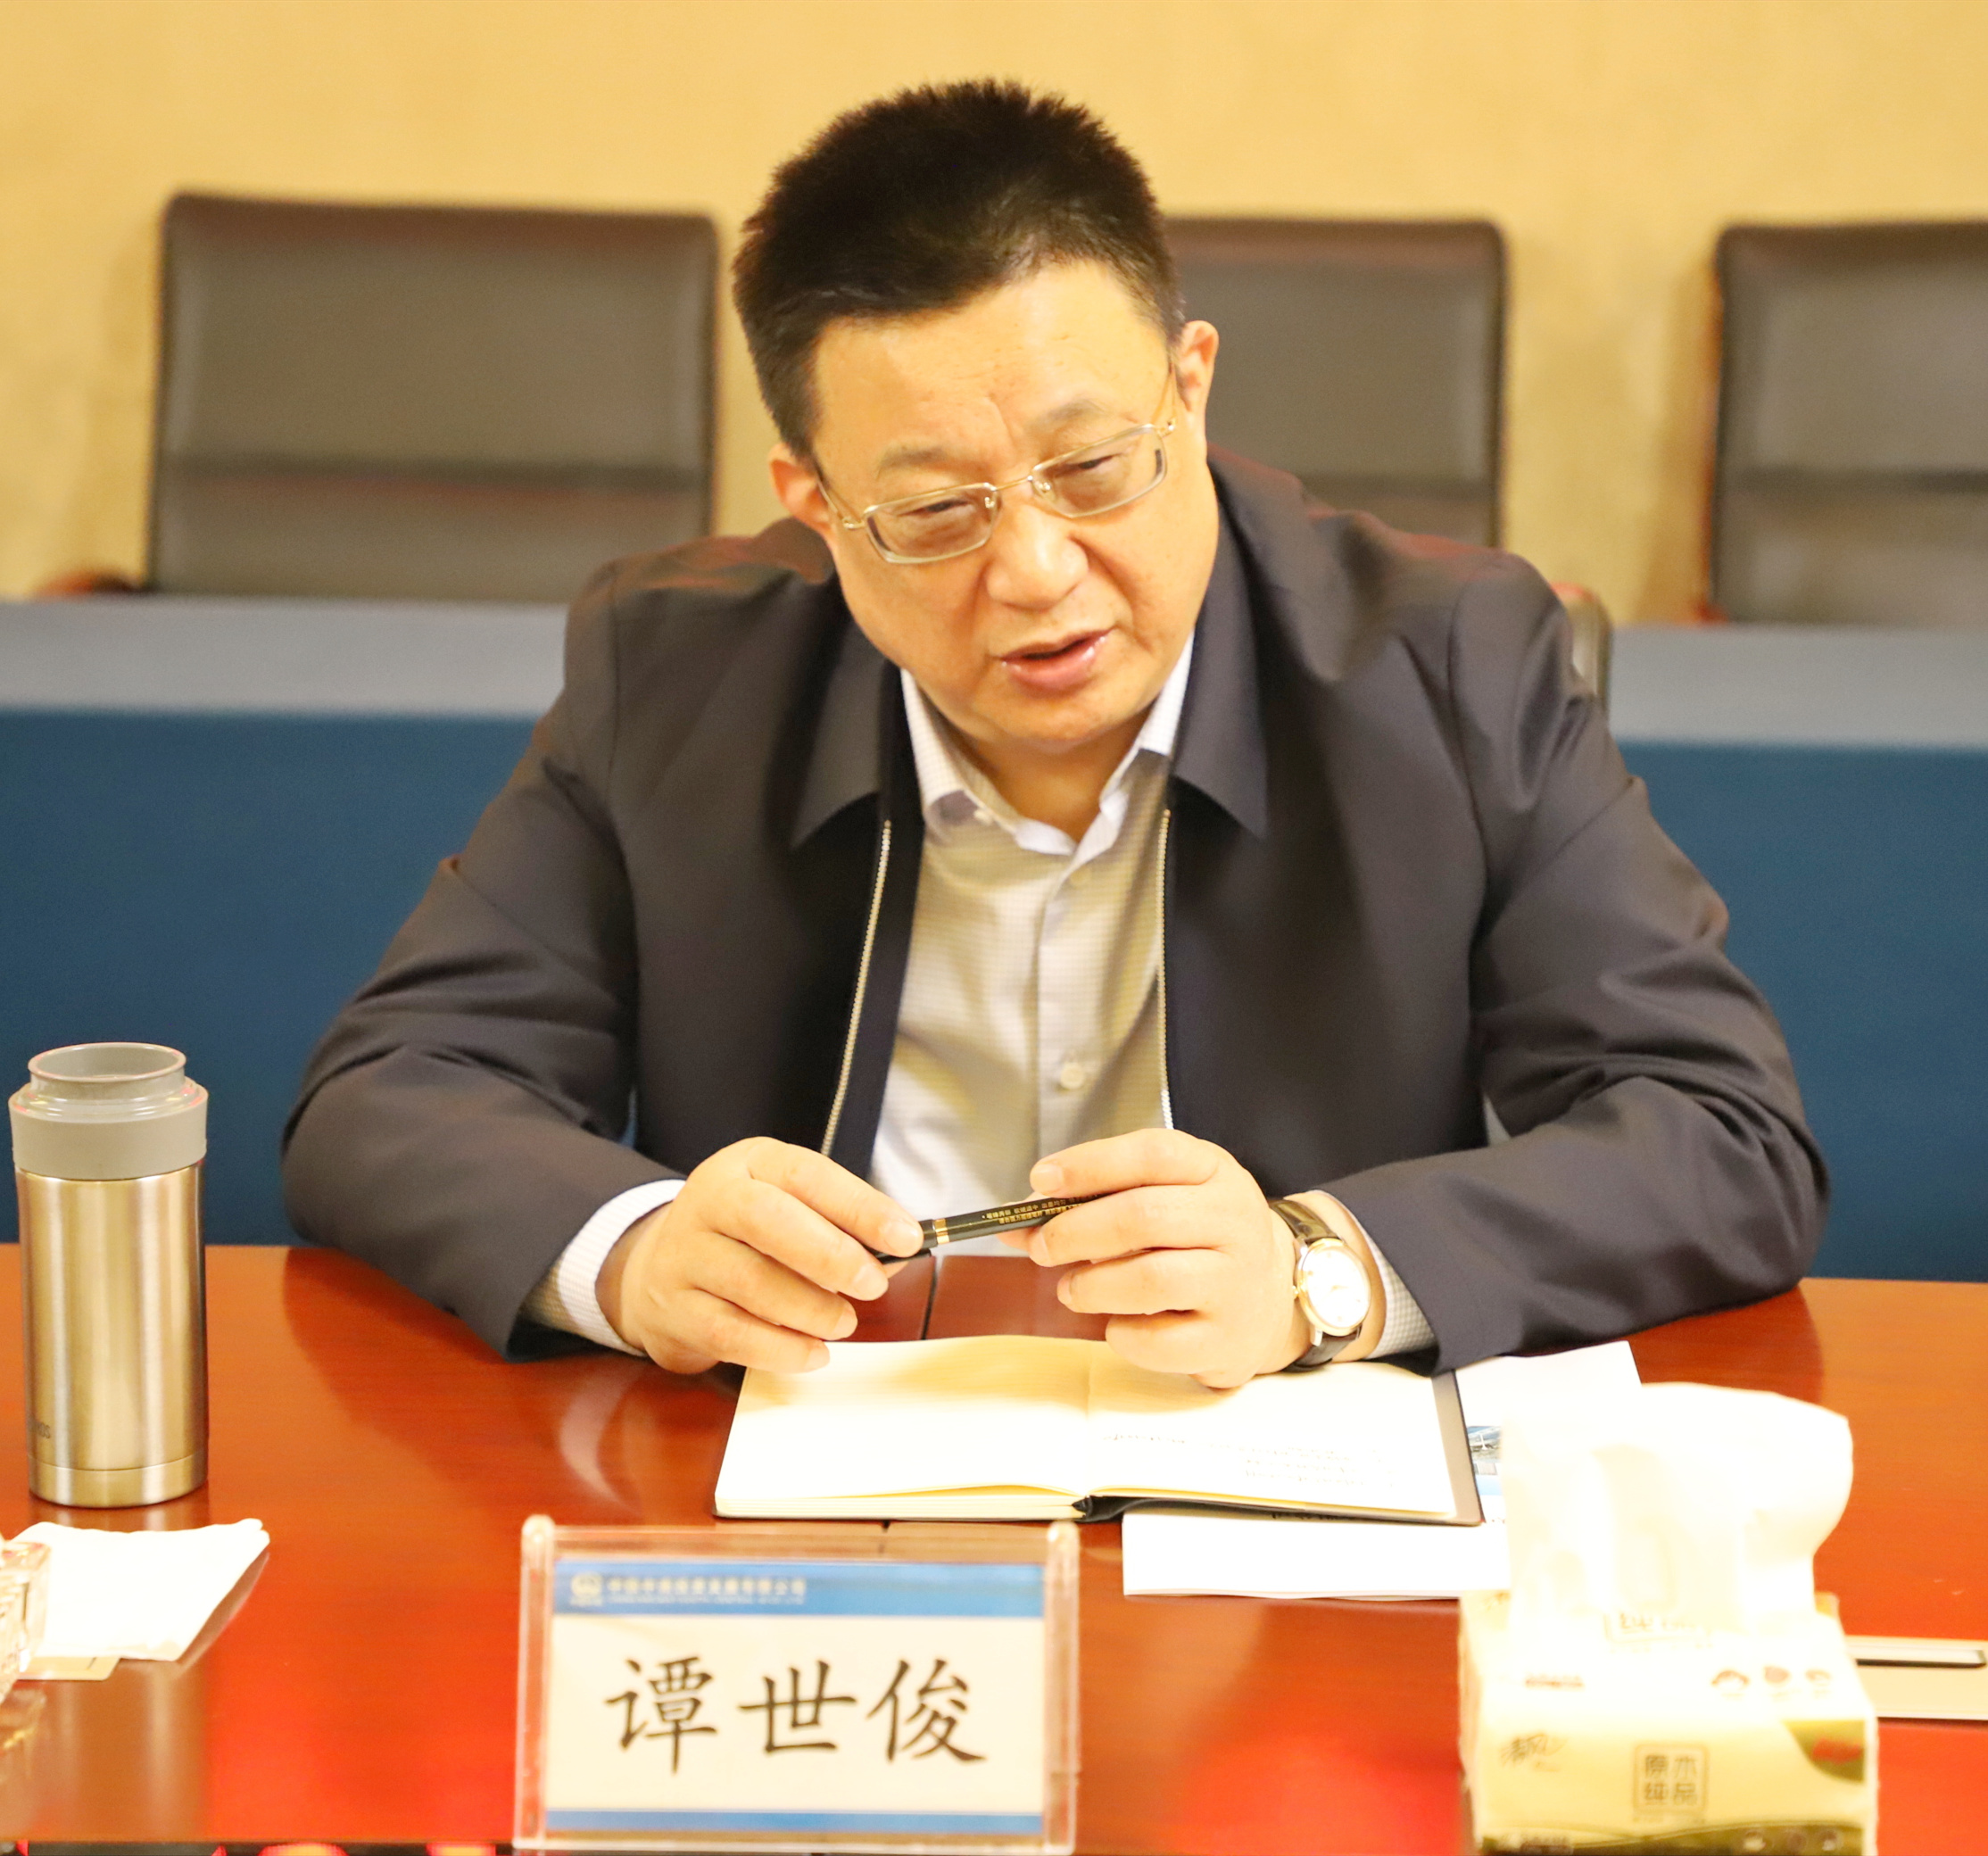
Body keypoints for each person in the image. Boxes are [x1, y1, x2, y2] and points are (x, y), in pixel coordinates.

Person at [283, 81, 1824, 1388]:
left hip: (1264, 1474)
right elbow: (393, 1087)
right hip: (817, 1483)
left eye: (1092, 470)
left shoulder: (1448, 666)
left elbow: (1722, 1132)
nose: (1033, 572)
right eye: (935, 511)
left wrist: (1318, 1272)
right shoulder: (681, 672)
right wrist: (634, 1254)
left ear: (1192, 391)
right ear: (815, 503)